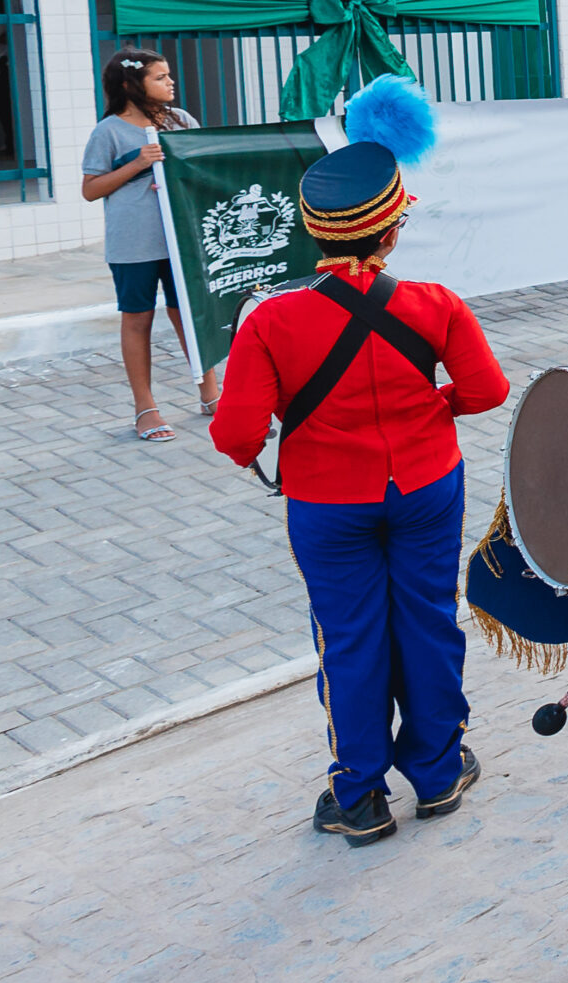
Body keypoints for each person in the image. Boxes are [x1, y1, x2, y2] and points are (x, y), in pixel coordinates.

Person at [209, 78, 508, 847]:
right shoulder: (435, 303)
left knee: (349, 637)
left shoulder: (270, 318)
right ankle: (440, 772)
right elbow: (487, 389)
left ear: (313, 233)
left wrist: (284, 435)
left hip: (325, 501)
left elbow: (235, 434)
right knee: (428, 620)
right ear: (392, 231)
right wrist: (430, 411)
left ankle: (360, 795)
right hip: (427, 485)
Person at [82, 48, 217, 441]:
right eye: (160, 78)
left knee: (190, 315)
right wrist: (138, 164)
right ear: (129, 85)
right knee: (137, 319)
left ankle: (210, 393)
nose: (170, 83)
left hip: (183, 237)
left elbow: (201, 168)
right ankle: (146, 408)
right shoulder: (107, 131)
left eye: (168, 75)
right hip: (133, 243)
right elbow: (91, 190)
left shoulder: (182, 121)